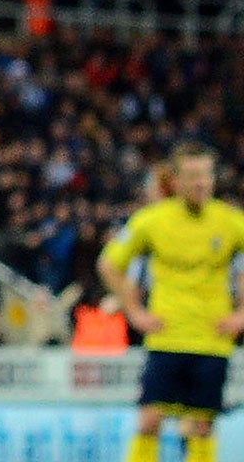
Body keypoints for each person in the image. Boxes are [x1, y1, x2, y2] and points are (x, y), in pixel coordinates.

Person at [96, 142, 244, 462]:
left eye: (207, 175)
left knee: (201, 426)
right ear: (175, 181)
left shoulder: (230, 221)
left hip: (212, 339)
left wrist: (242, 314)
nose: (202, 182)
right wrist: (134, 311)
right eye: (193, 176)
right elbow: (108, 264)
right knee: (149, 420)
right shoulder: (150, 221)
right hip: (166, 336)